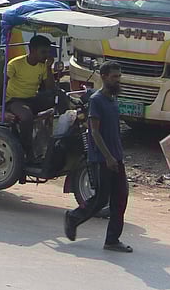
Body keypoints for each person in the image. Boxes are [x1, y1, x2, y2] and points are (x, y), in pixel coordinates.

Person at [64, 62, 132, 253]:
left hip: (115, 157)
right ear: (103, 76)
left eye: (119, 76)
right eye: (114, 77)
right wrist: (108, 157)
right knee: (102, 199)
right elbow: (94, 132)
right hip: (103, 158)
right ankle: (74, 218)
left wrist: (117, 155)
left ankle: (112, 240)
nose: (117, 80)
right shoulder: (97, 100)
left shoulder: (112, 99)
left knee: (120, 198)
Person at [5, 35, 58, 152]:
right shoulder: (15, 64)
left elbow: (50, 88)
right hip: (15, 100)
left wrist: (49, 68)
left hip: (33, 99)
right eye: (43, 52)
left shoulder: (43, 65)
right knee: (26, 117)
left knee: (61, 97)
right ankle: (26, 151)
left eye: (48, 52)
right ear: (33, 50)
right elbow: (2, 82)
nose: (46, 55)